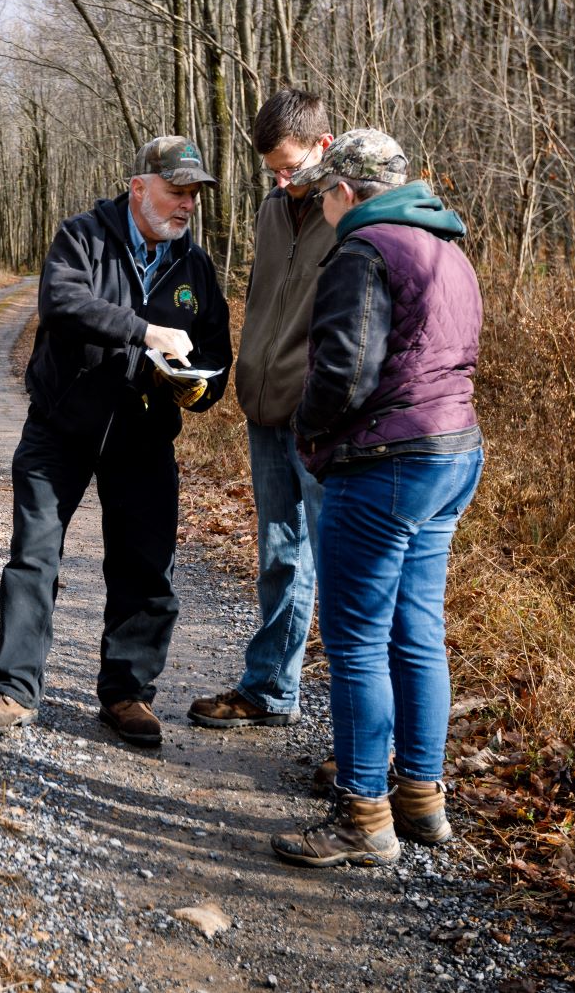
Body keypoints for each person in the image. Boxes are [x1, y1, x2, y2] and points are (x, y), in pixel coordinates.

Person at [0, 136, 232, 748]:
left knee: (146, 568)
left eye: (194, 194)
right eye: (176, 190)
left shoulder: (194, 267)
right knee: (34, 557)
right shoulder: (83, 235)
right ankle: (14, 689)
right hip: (61, 427)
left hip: (144, 437)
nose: (187, 204)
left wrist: (200, 391)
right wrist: (144, 332)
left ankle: (127, 693)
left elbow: (215, 352)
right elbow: (61, 301)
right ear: (140, 188)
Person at [266, 129, 484, 868]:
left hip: (387, 460)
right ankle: (422, 800)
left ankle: (363, 815)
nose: (323, 204)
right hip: (454, 453)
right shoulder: (447, 248)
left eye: (325, 191)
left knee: (357, 640)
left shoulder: (362, 252)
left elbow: (343, 372)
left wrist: (309, 437)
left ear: (345, 193)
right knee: (416, 630)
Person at [186, 89, 334, 738]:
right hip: (264, 407)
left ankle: (366, 750)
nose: (279, 179)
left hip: (321, 414)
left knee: (342, 567)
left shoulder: (354, 211)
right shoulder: (272, 209)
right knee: (278, 553)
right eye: (270, 168)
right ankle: (271, 688)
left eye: (290, 165)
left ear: (323, 147)